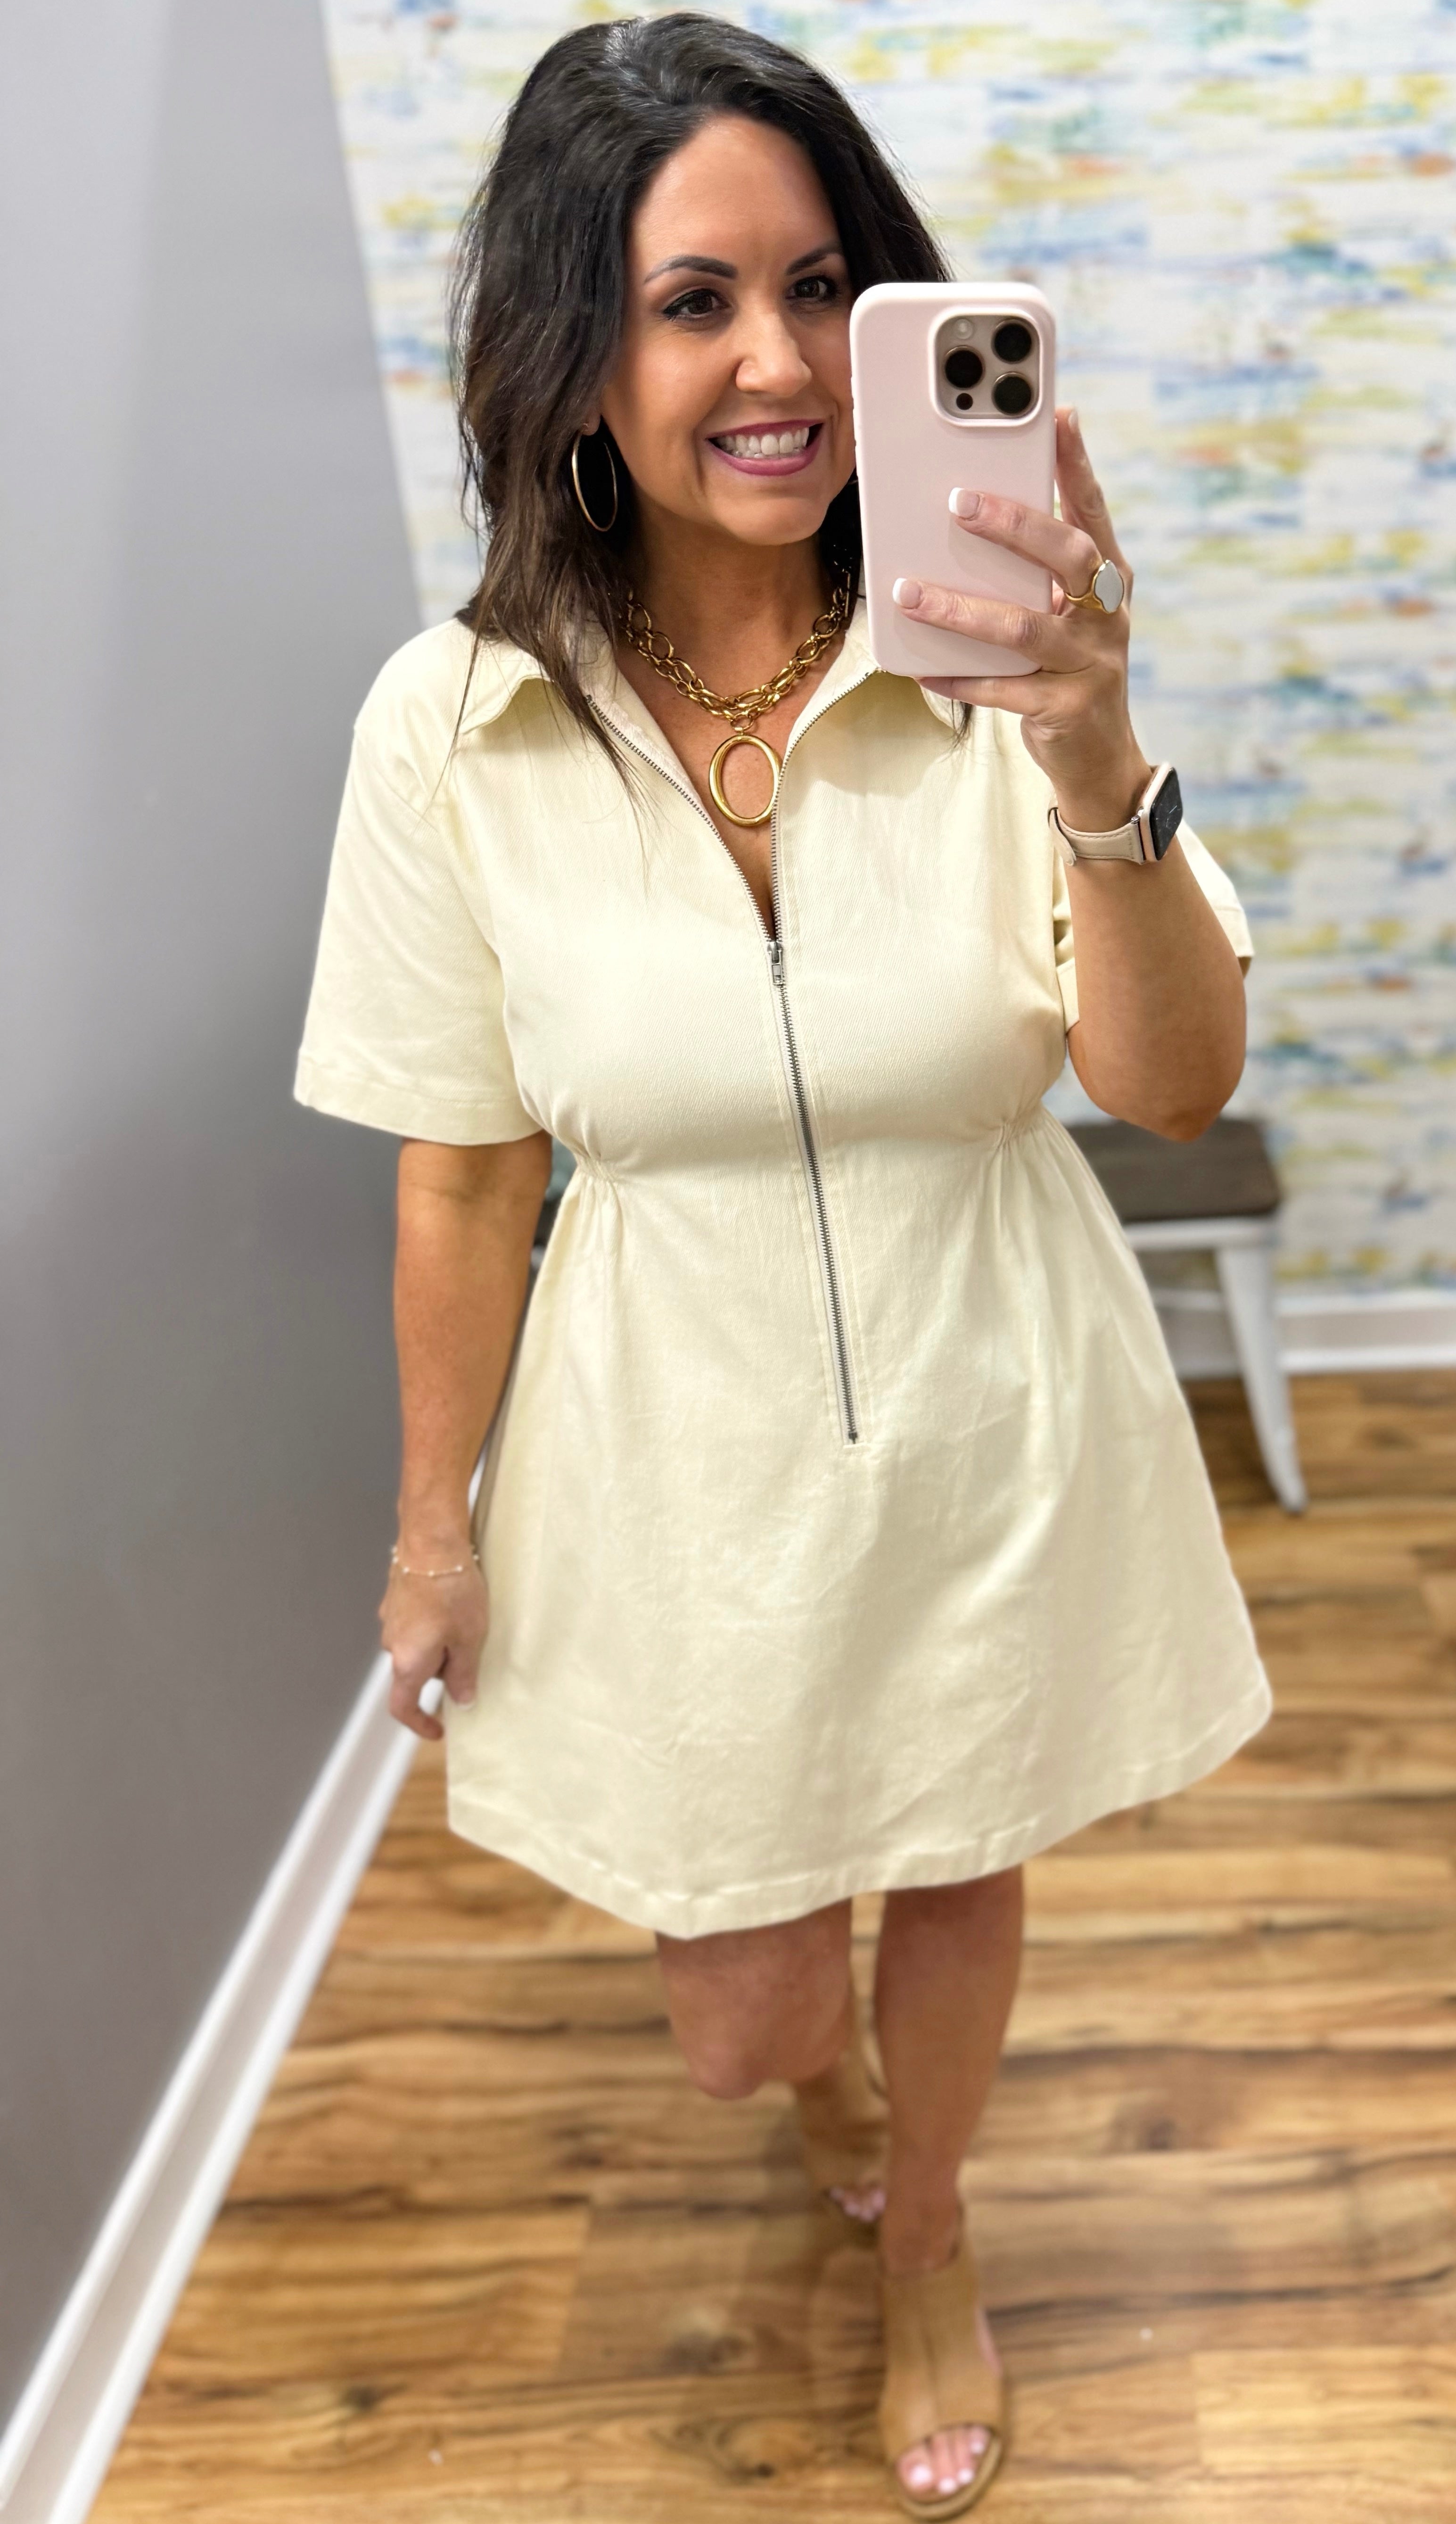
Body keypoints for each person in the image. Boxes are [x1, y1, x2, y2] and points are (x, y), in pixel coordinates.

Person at [295, 15, 1269, 2516]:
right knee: (738, 2017)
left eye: (823, 289)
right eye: (693, 301)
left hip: (986, 1381)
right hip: (672, 1436)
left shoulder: (994, 656)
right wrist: (430, 1528)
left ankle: (930, 2226)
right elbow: (460, 1176)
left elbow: (1172, 1087)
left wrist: (1095, 752)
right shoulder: (456, 730)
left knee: (957, 1853)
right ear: (568, 354)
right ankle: (837, 2105)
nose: (778, 364)